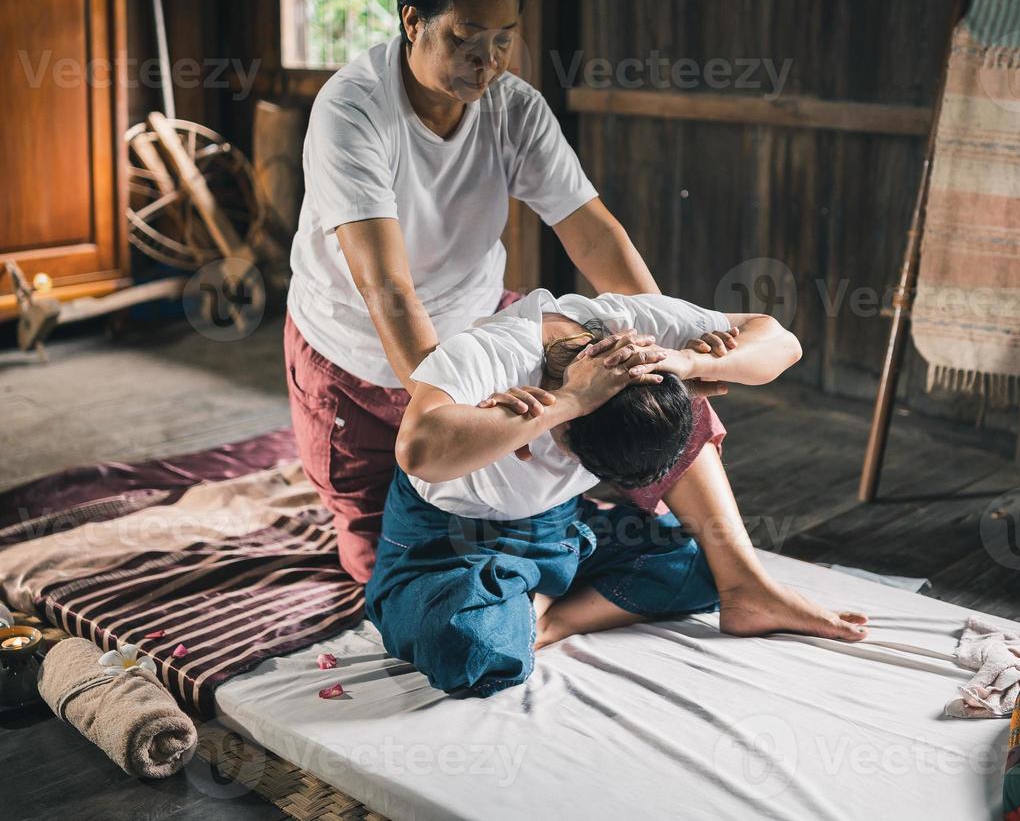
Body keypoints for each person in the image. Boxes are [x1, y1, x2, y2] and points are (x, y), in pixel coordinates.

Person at [284, 0, 851, 639]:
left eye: (504, 41)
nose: (486, 62)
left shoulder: (512, 108)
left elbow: (592, 232)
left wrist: (657, 359)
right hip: (357, 351)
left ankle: (742, 580)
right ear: (413, 20)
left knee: (635, 381)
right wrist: (458, 406)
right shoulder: (353, 111)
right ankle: (539, 574)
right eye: (465, 38)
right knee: (381, 560)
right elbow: (385, 286)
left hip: (481, 315)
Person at [366, 290, 870, 695]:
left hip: (561, 527)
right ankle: (537, 617)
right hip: (451, 544)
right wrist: (565, 401)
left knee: (700, 564)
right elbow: (419, 450)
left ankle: (536, 615)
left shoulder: (632, 328)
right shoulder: (493, 353)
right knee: (464, 646)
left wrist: (688, 364)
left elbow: (782, 341)